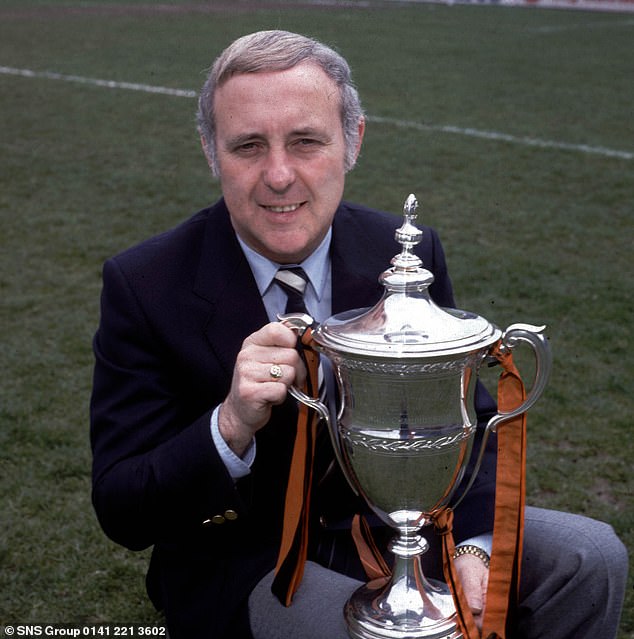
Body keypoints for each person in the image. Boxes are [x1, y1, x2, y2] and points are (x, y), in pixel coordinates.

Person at [90, 30, 627, 639]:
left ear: (353, 140)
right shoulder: (146, 283)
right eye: (247, 146)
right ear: (212, 152)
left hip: (410, 533)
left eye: (306, 141)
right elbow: (121, 507)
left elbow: (469, 423)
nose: (279, 174)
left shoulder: (407, 253)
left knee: (590, 556)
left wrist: (475, 549)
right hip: (247, 560)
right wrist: (231, 424)